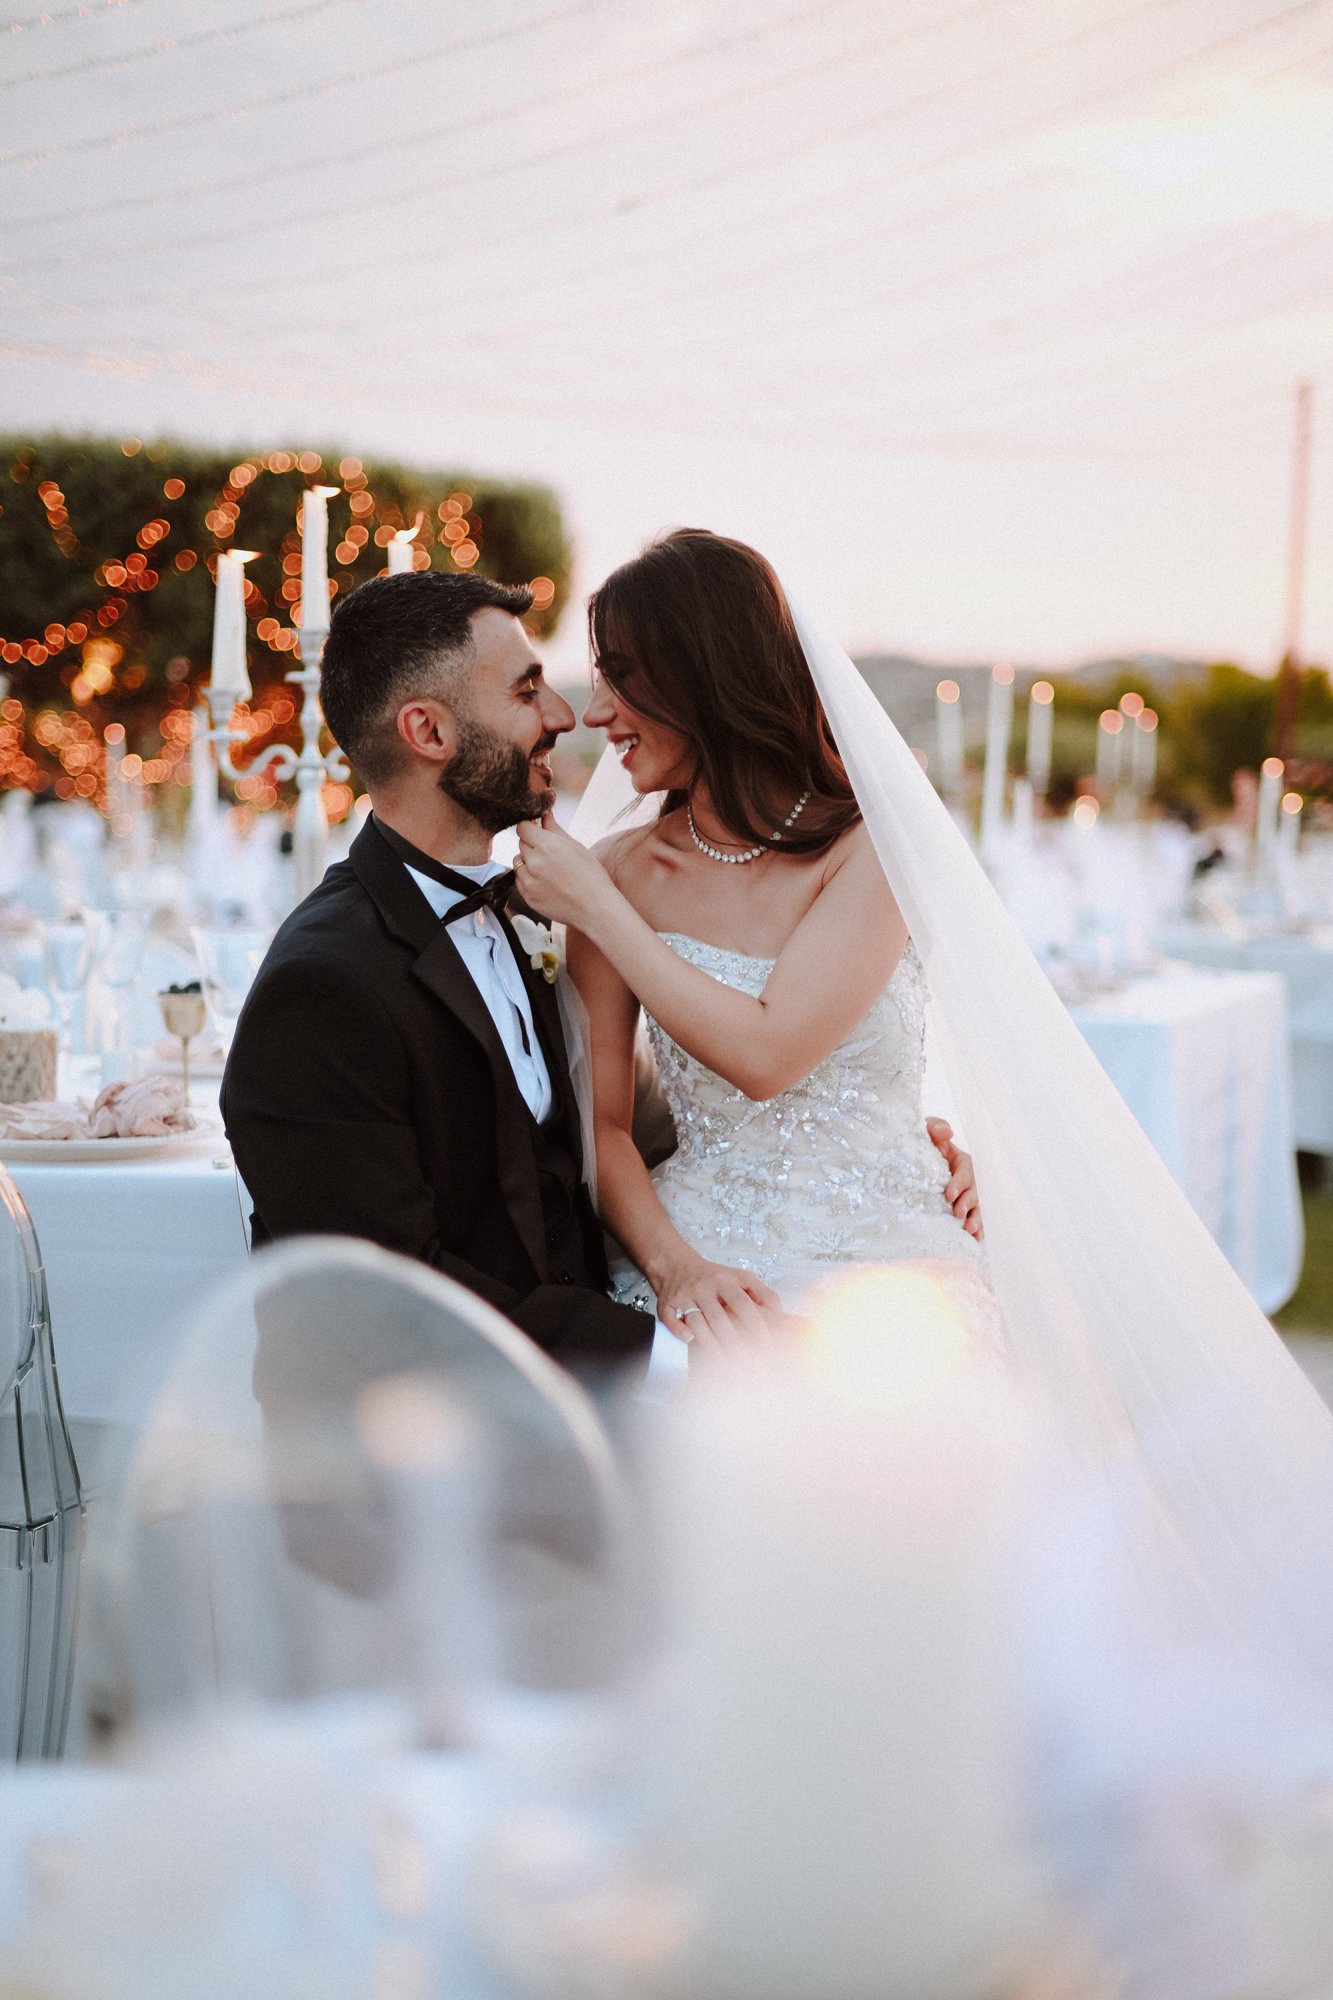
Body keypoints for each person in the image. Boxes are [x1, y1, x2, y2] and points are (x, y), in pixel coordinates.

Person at [512, 531, 988, 1363]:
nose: (594, 714)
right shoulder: (618, 872)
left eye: (619, 677)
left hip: (900, 1252)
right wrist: (675, 1269)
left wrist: (601, 909)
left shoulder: (872, 850)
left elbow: (769, 1055)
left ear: (702, 676)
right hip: (705, 1258)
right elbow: (606, 1127)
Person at [221, 571, 652, 1385]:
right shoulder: (323, 988)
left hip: (561, 1424)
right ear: (428, 731)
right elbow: (392, 1303)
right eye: (528, 692)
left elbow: (586, 1151)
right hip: (405, 1466)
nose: (562, 716)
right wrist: (660, 1360)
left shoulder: (519, 907)